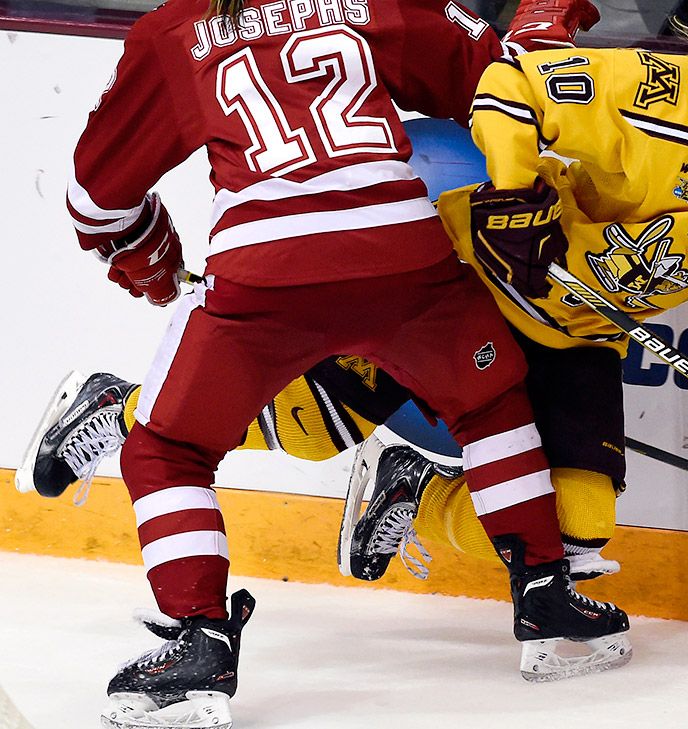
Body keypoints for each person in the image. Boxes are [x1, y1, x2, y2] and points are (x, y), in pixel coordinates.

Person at [30, 0, 688, 682]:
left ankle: (417, 497)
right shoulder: (659, 99)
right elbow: (500, 77)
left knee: (578, 520)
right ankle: (121, 406)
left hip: (564, 318)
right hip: (472, 267)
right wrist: (517, 187)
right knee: (314, 430)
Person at [56, 0, 627, 725]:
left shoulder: (175, 28)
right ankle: (546, 594)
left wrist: (150, 252)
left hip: (264, 271)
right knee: (493, 404)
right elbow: (495, 79)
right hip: (401, 251)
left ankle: (200, 638)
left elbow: (93, 197)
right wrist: (537, 45)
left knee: (167, 449)